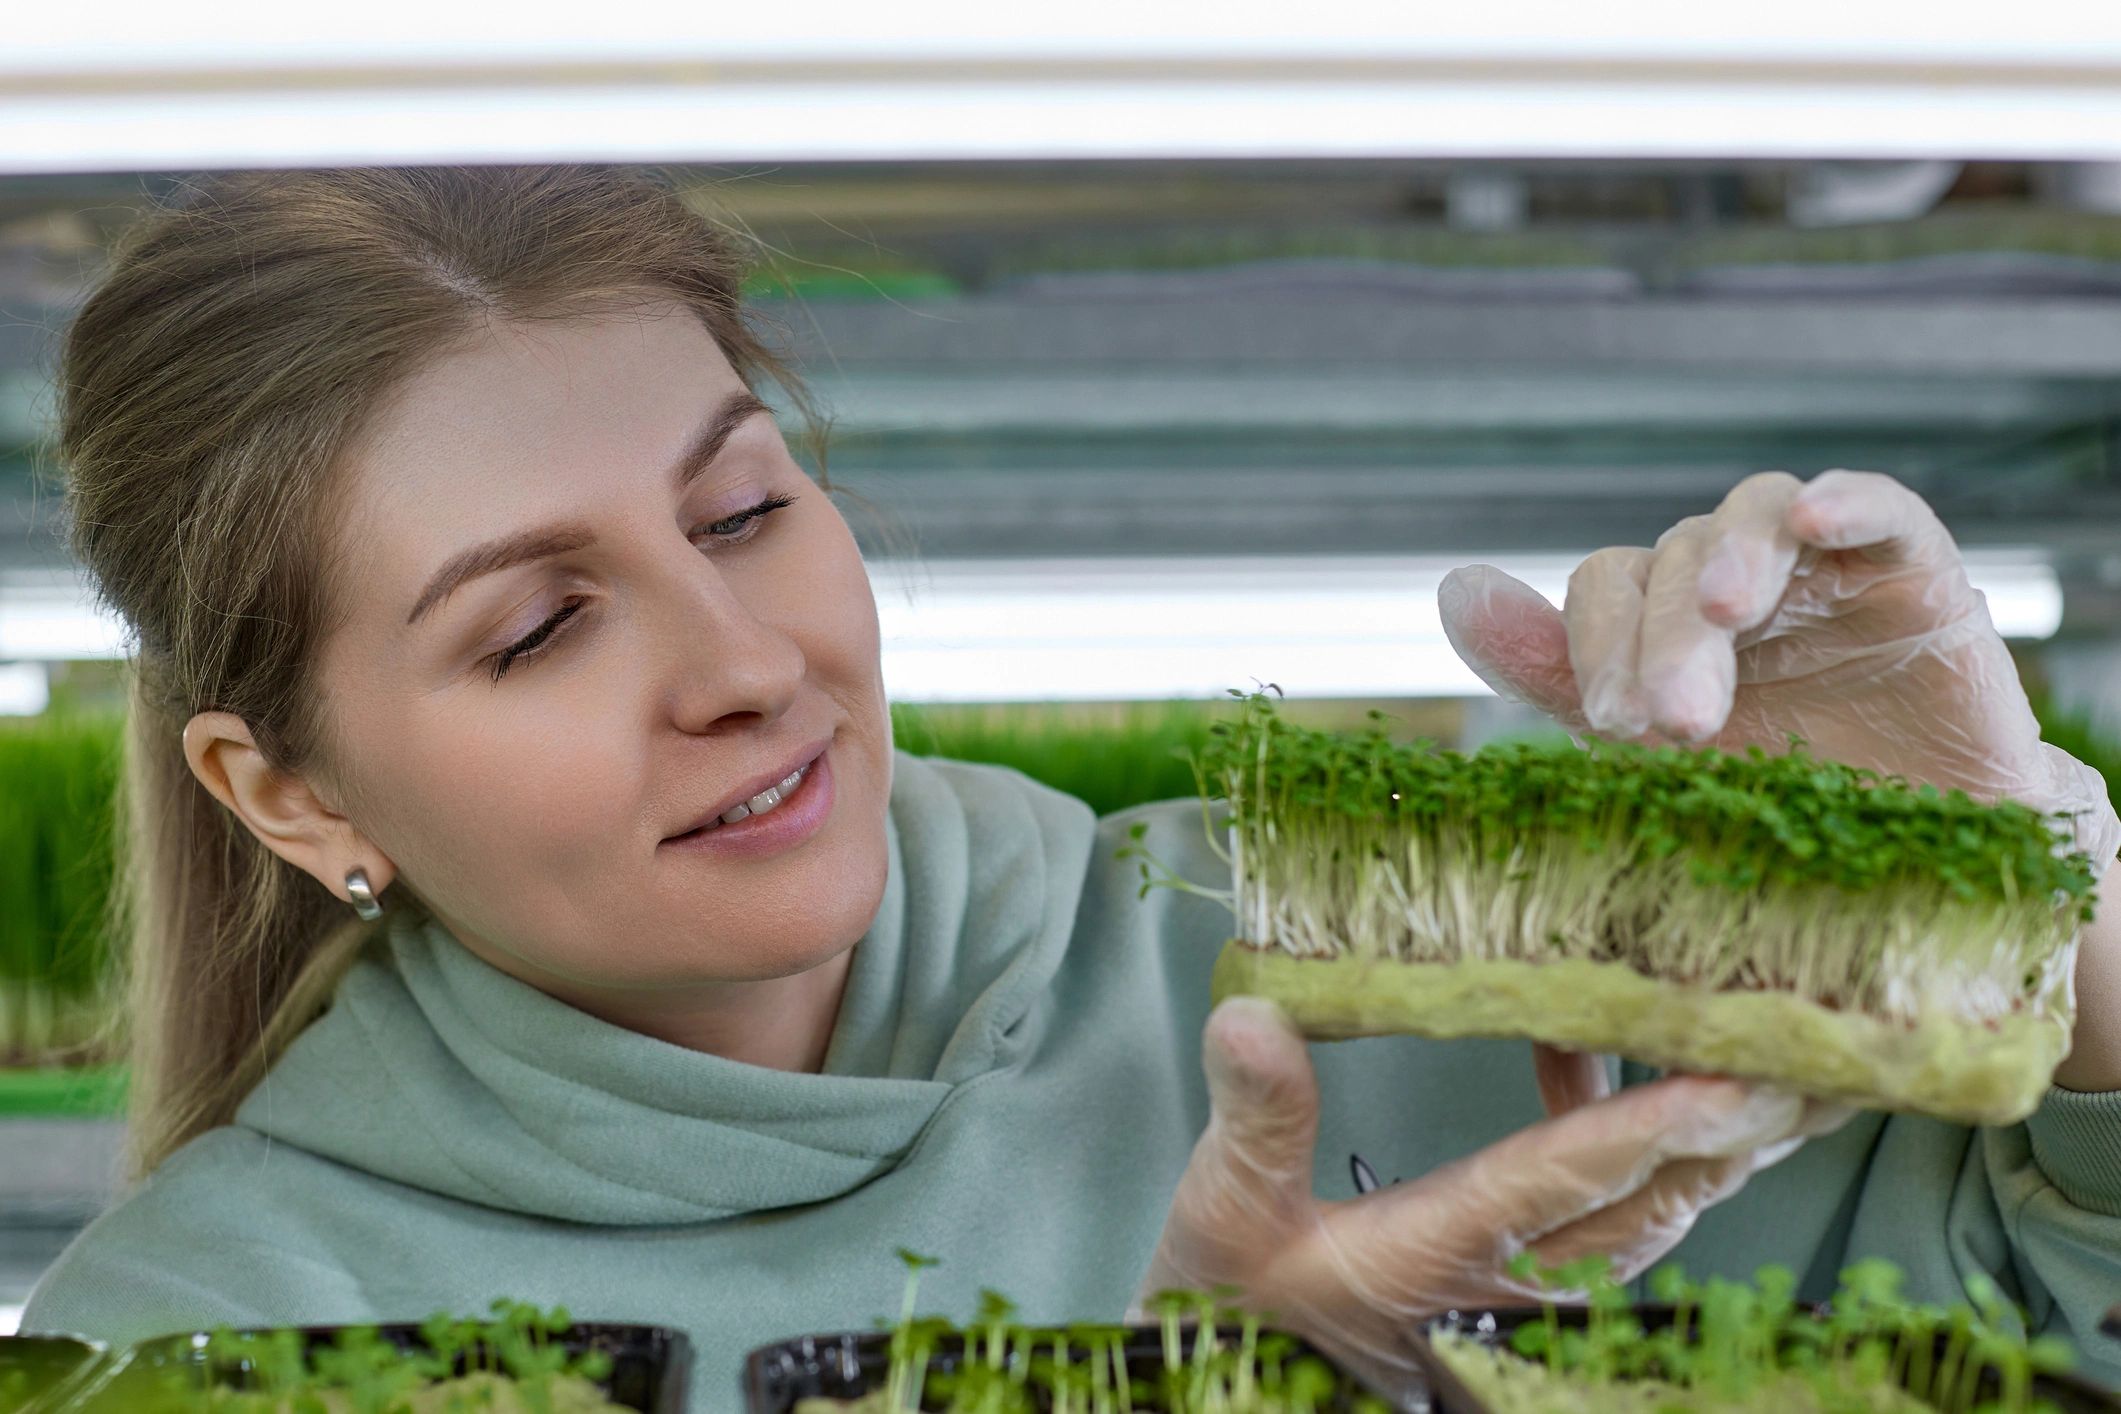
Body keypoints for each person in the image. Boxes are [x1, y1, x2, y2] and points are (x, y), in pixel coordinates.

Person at [20, 166, 2121, 1408]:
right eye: (535, 627)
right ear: (285, 794)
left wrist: (2054, 920)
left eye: (744, 510)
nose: (745, 666)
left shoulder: (1349, 961)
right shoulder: (214, 1330)